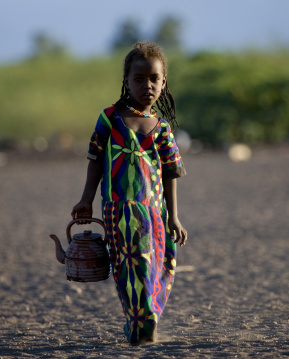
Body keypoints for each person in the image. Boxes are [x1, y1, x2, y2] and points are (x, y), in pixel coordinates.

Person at [71, 41, 187, 346]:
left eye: (154, 79)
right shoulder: (110, 118)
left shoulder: (162, 128)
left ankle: (144, 321)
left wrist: (173, 216)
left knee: (152, 266)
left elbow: (172, 171)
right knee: (126, 268)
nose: (146, 85)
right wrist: (86, 199)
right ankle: (139, 323)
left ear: (164, 82)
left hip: (153, 213)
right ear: (126, 81)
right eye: (138, 79)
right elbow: (95, 160)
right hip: (117, 210)